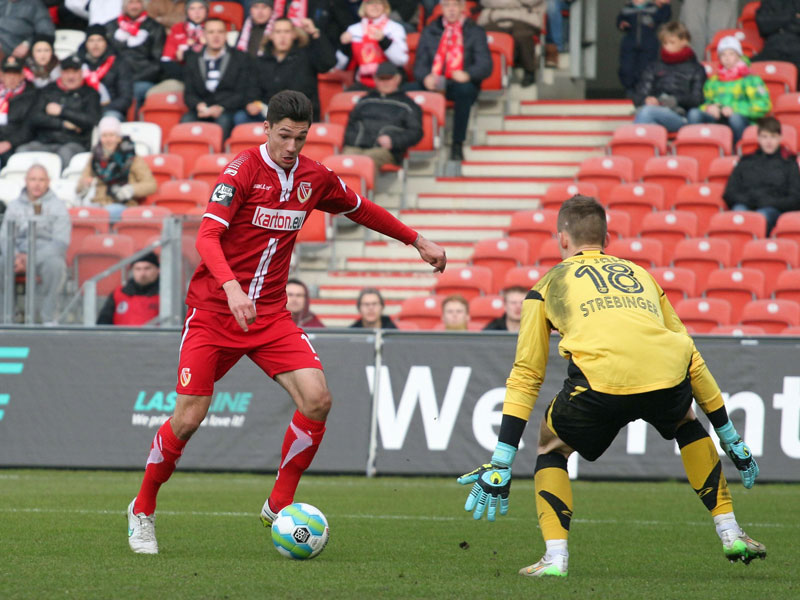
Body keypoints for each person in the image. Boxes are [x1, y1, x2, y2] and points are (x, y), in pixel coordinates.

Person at [125, 89, 446, 555]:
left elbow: (362, 209)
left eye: (300, 137)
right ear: (266, 129)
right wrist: (232, 288)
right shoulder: (240, 171)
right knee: (189, 417)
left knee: (317, 399)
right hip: (214, 312)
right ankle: (143, 508)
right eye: (284, 136)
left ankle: (279, 503)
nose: (292, 147)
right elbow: (209, 236)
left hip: (270, 315)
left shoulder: (314, 178)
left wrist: (416, 240)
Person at [457, 195, 765, 578]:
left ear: (562, 240)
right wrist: (730, 436)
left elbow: (527, 373)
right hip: (667, 376)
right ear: (606, 237)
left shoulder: (548, 284)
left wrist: (502, 458)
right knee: (686, 422)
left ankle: (555, 558)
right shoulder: (642, 276)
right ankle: (730, 531)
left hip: (600, 384)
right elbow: (691, 354)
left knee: (551, 445)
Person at [413, 0, 492, 161]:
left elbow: (485, 65)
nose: (451, 9)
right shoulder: (430, 30)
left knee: (465, 91)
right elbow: (419, 64)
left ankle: (457, 143)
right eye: (447, 5)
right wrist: (425, 77)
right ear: (441, 9)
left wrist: (468, 74)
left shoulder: (475, 31)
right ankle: (412, 143)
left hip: (460, 82)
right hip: (435, 80)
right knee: (407, 90)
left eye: (455, 5)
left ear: (463, 8)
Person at [0, 164, 70, 325]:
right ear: (26, 181)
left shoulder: (58, 207)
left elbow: (60, 242)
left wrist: (30, 259)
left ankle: (48, 317)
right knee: (1, 263)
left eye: (41, 179)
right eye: (33, 179)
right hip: (16, 253)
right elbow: (4, 237)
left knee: (56, 266)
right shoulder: (14, 206)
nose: (37, 184)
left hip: (44, 254)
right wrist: (16, 256)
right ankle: (6, 317)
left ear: (48, 182)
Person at [239, 16, 336, 123]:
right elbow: (252, 90)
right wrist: (252, 103)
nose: (282, 37)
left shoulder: (307, 56)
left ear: (294, 35)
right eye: (278, 32)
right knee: (241, 117)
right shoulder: (261, 61)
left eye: (287, 32)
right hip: (269, 116)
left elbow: (329, 63)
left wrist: (314, 33)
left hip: (300, 115)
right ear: (271, 36)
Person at [18, 54, 101, 167]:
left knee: (65, 153)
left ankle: (62, 184)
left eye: (75, 72)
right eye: (67, 72)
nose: (71, 77)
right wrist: (62, 124)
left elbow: (92, 120)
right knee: (22, 151)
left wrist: (62, 112)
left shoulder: (90, 94)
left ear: (81, 73)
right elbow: (34, 117)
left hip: (74, 142)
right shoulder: (48, 91)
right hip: (45, 142)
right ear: (61, 73)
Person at [687, 35, 771, 145]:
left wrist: (735, 109)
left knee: (735, 118)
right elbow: (704, 102)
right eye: (723, 54)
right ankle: (698, 149)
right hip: (717, 118)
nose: (727, 58)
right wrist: (709, 108)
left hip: (742, 119)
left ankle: (738, 151)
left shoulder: (751, 79)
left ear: (739, 56)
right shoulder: (713, 81)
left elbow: (764, 105)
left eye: (731, 54)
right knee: (694, 114)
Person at [723, 116, 800, 235]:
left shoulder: (789, 164)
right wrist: (750, 200)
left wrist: (770, 202)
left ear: (779, 138)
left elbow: (795, 199)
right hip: (746, 206)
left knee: (761, 217)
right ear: (758, 138)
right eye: (765, 137)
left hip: (773, 210)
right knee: (738, 213)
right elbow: (730, 193)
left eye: (773, 137)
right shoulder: (746, 161)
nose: (769, 142)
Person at [342, 61, 423, 170]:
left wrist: (393, 141)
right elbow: (351, 125)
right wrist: (354, 140)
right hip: (356, 147)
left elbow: (416, 132)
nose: (385, 82)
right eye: (381, 78)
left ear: (397, 79)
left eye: (388, 78)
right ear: (375, 79)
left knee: (365, 162)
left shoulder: (407, 105)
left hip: (385, 151)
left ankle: (362, 187)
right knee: (343, 161)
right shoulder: (365, 101)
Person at [76, 116, 157, 222]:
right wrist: (84, 184)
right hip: (98, 202)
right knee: (80, 215)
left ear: (119, 138)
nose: (108, 140)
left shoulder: (132, 158)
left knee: (107, 213)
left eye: (112, 135)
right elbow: (80, 186)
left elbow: (151, 185)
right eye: (104, 136)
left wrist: (131, 189)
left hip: (123, 204)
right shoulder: (95, 157)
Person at [632, 21, 706, 132]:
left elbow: (698, 99)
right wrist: (647, 99)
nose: (667, 47)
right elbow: (639, 94)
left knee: (647, 113)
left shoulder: (696, 69)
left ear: (684, 41)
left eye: (671, 43)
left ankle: (632, 146)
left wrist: (676, 100)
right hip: (656, 111)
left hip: (682, 115)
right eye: (664, 43)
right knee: (649, 122)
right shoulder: (653, 67)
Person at [182, 17, 250, 138]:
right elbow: (188, 93)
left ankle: (220, 157)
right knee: (186, 121)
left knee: (223, 122)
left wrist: (221, 107)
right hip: (201, 110)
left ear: (226, 35)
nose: (216, 36)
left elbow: (242, 93)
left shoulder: (240, 58)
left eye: (220, 32)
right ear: (204, 35)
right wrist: (199, 105)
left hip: (227, 110)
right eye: (211, 32)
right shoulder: (193, 59)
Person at [104, 0, 167, 109]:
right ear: (124, 5)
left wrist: (132, 79)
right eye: (130, 2)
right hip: (115, 78)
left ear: (144, 5)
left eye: (138, 2)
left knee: (135, 92)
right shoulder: (110, 26)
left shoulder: (155, 28)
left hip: (141, 78)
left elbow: (156, 64)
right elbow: (105, 56)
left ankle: (133, 124)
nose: (134, 6)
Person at [336, 0, 408, 90]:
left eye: (379, 3)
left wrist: (384, 40)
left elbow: (401, 60)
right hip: (362, 83)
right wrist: (344, 46)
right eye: (370, 3)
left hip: (389, 81)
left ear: (384, 6)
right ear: (364, 7)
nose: (375, 6)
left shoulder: (395, 28)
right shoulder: (353, 30)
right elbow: (339, 65)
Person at [478, 0, 546, 87]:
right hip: (493, 18)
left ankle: (529, 70)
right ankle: (488, 74)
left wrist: (502, 3)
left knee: (522, 35)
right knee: (483, 36)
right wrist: (516, 3)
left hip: (524, 18)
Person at [617, 0, 672, 97]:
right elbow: (619, 21)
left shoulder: (654, 8)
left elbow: (664, 18)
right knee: (626, 68)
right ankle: (630, 90)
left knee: (646, 69)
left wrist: (665, 5)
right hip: (629, 43)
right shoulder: (626, 9)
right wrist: (622, 24)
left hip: (649, 44)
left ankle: (644, 92)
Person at [79, 25, 134, 121]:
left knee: (109, 118)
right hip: (83, 110)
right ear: (86, 44)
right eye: (91, 40)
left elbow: (125, 98)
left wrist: (101, 109)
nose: (95, 44)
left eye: (100, 40)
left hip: (110, 109)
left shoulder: (119, 63)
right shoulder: (78, 64)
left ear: (106, 43)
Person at [96, 251, 160, 325]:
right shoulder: (118, 294)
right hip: (120, 336)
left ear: (158, 270)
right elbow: (103, 323)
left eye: (147, 268)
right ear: (132, 271)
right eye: (138, 269)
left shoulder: (167, 296)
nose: (142, 274)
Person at [0, 56, 37, 167]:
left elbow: (30, 127)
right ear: (1, 75)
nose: (11, 78)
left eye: (15, 74)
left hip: (14, 142)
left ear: (22, 75)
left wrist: (10, 142)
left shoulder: (32, 95)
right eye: (8, 73)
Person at [750, 0, 800, 82]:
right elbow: (763, 25)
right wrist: (792, 16)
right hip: (773, 47)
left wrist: (778, 24)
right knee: (746, 68)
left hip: (796, 47)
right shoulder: (769, 2)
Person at [161, 0, 208, 81]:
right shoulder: (177, 28)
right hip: (182, 71)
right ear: (186, 12)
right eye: (192, 8)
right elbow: (167, 58)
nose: (197, 12)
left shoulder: (213, 27)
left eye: (201, 8)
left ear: (207, 11)